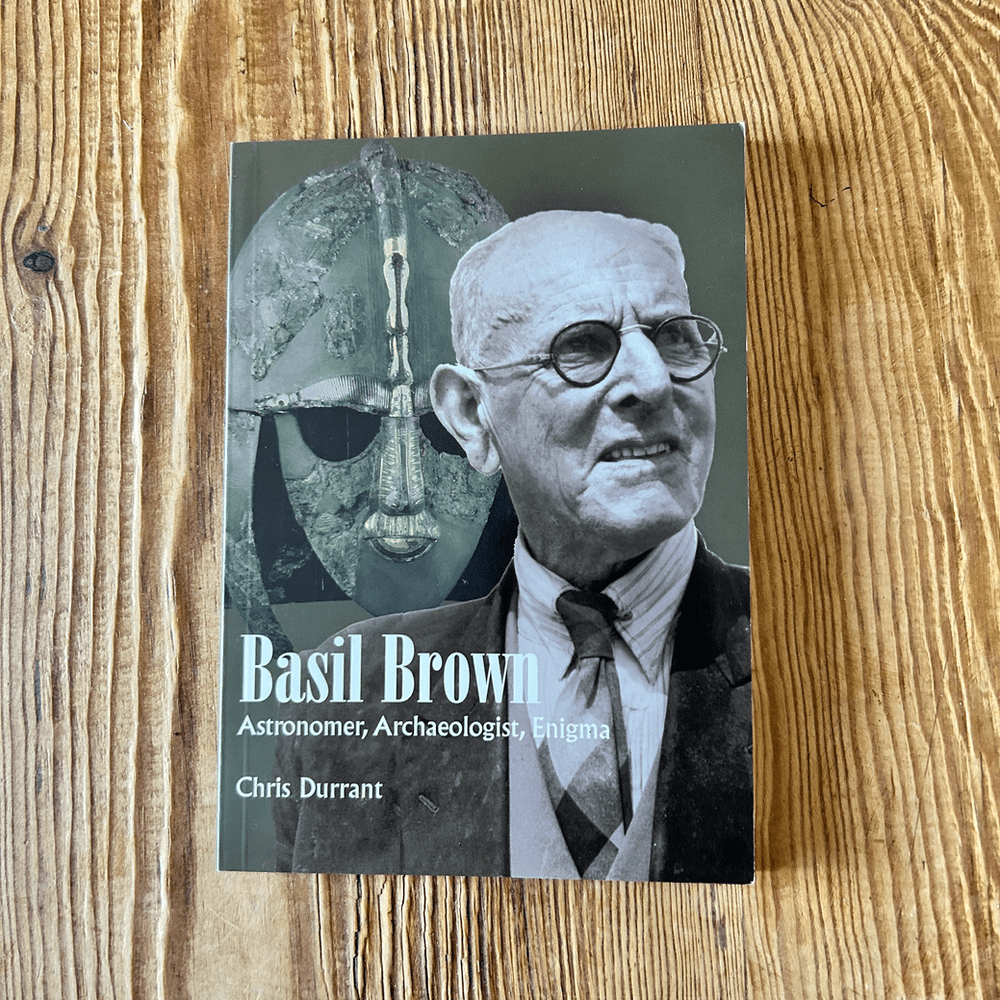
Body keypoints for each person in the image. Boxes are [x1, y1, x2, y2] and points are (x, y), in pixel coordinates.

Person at [274, 210, 752, 883]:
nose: (652, 382)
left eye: (674, 337)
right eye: (583, 347)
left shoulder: (823, 651)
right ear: (473, 415)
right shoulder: (349, 698)